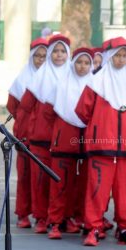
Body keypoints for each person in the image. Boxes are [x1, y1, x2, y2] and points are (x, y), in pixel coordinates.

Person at [75, 37, 126, 247]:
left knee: (125, 192)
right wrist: (99, 128)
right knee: (97, 190)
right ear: (109, 57)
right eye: (117, 56)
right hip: (101, 148)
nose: (121, 60)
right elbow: (82, 111)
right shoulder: (95, 84)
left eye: (125, 56)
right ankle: (93, 228)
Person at [19, 34, 72, 233]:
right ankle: (41, 218)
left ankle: (60, 218)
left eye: (63, 52)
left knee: (60, 183)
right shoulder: (38, 77)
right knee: (40, 181)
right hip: (40, 139)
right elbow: (24, 107)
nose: (59, 55)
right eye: (55, 51)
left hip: (63, 141)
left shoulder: (72, 76)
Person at [46, 47, 94, 239]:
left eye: (87, 63)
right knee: (59, 184)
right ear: (73, 63)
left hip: (87, 141)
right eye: (79, 62)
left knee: (82, 185)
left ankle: (76, 218)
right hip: (64, 141)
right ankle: (55, 222)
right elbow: (49, 114)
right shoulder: (61, 84)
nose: (82, 66)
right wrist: (59, 132)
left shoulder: (94, 85)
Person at [7, 38, 48, 228]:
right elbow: (12, 106)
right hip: (23, 136)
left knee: (40, 178)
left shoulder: (50, 78)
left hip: (41, 138)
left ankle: (42, 215)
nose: (40, 60)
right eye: (37, 56)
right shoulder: (21, 79)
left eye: (44, 56)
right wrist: (25, 121)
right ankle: (23, 213)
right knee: (24, 177)